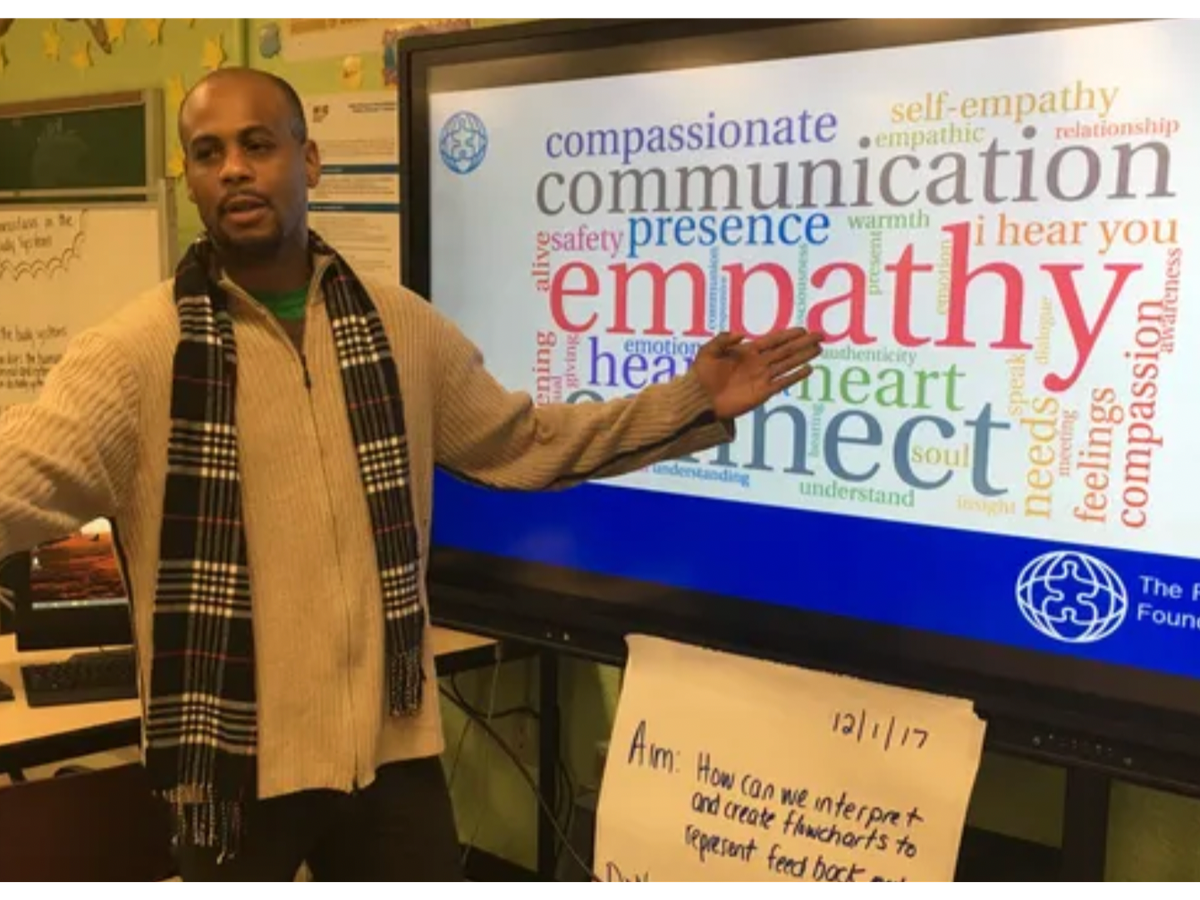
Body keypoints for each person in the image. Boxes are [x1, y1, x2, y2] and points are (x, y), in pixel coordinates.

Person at [0, 67, 824, 882]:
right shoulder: (135, 355)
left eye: (258, 144)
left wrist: (691, 400)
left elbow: (527, 444)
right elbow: (23, 477)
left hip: (387, 747)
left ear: (308, 160)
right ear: (191, 178)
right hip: (228, 760)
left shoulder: (400, 328)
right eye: (209, 153)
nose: (235, 170)